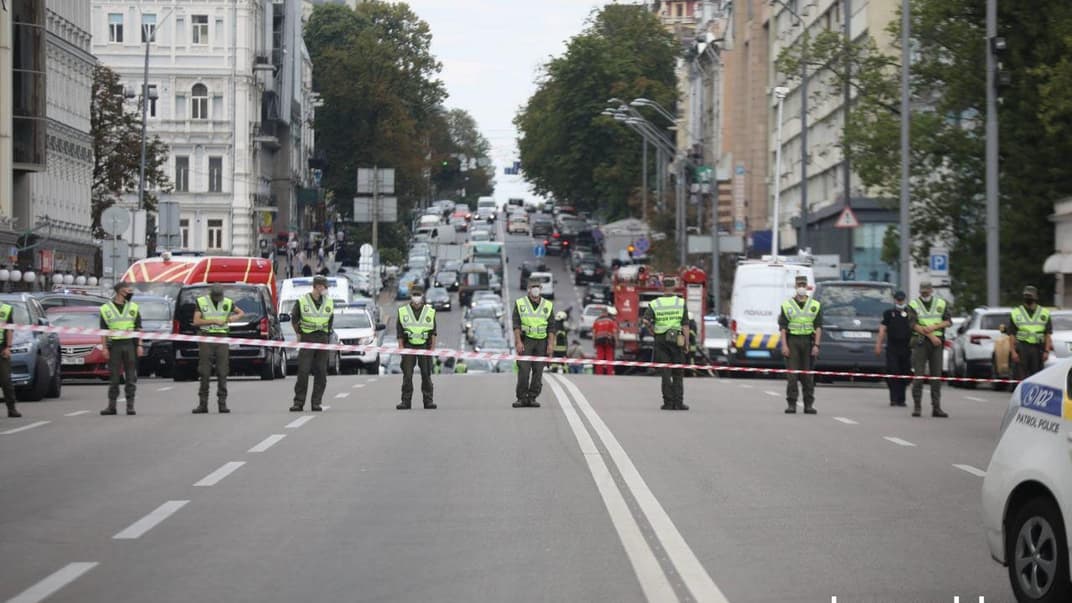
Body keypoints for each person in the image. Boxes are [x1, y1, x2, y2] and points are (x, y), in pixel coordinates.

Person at [192, 284, 244, 414]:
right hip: (206, 338)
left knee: (222, 371)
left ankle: (222, 404)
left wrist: (233, 318)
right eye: (215, 297)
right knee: (204, 371)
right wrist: (213, 321)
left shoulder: (227, 302)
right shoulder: (201, 302)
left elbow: (241, 312)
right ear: (211, 294)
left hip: (222, 338)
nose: (217, 299)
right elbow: (196, 321)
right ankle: (203, 404)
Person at [290, 275, 334, 412]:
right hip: (307, 338)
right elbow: (295, 318)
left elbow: (330, 320)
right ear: (317, 286)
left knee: (321, 372)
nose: (325, 289)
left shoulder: (329, 302)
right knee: (303, 371)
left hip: (322, 339)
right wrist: (299, 334)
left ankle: (316, 402)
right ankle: (298, 402)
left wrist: (327, 336)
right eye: (324, 286)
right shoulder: (302, 301)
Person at [779, 276, 822, 414]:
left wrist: (817, 345)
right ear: (795, 286)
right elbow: (783, 328)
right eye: (799, 284)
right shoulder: (787, 305)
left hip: (808, 342)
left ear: (807, 286)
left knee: (807, 375)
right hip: (793, 342)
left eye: (804, 284)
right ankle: (792, 403)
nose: (801, 287)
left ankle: (808, 404)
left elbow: (819, 327)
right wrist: (784, 345)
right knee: (792, 375)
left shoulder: (815, 305)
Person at [907, 281, 951, 418]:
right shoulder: (913, 305)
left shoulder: (941, 303)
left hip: (937, 343)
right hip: (921, 342)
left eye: (927, 290)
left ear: (931, 290)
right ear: (920, 291)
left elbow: (948, 321)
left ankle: (936, 407)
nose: (925, 293)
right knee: (919, 376)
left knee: (936, 376)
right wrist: (931, 335)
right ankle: (917, 407)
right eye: (923, 291)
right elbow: (913, 324)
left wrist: (934, 328)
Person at [99, 282, 143, 415]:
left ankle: (130, 406)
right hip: (115, 346)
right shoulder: (105, 309)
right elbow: (103, 331)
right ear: (120, 291)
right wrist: (104, 348)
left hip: (130, 344)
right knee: (114, 378)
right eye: (127, 290)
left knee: (130, 377)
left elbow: (139, 328)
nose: (130, 293)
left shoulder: (133, 307)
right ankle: (111, 406)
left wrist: (140, 345)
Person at [644, 292, 689, 410]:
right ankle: (678, 403)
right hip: (677, 337)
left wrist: (652, 331)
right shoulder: (680, 302)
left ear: (663, 288)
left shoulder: (655, 303)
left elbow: (645, 321)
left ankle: (668, 403)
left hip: (661, 339)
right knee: (678, 372)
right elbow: (685, 326)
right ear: (673, 288)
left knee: (665, 372)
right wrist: (686, 344)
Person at [513, 282, 554, 408]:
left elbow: (552, 327)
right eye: (532, 288)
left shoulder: (548, 305)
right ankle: (521, 398)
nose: (535, 290)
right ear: (529, 289)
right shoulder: (520, 303)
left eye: (537, 288)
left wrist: (550, 345)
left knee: (538, 371)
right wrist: (518, 342)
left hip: (541, 342)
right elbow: (516, 325)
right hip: (526, 341)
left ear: (541, 290)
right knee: (524, 370)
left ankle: (532, 397)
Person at [397, 286, 437, 410]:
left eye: (418, 294)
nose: (416, 297)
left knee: (426, 375)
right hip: (409, 346)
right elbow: (400, 332)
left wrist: (432, 349)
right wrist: (401, 347)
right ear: (410, 296)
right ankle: (405, 401)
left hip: (424, 346)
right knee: (407, 375)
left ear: (422, 296)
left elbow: (433, 332)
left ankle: (428, 401)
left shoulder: (429, 312)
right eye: (414, 294)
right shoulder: (403, 311)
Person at [874, 290, 912, 407]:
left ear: (904, 299)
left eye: (901, 299)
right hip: (893, 347)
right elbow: (882, 330)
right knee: (893, 371)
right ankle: (893, 399)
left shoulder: (910, 313)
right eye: (898, 299)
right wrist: (878, 345)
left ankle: (902, 399)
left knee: (905, 372)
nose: (900, 301)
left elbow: (916, 328)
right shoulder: (889, 313)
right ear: (895, 300)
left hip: (906, 347)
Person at [1008, 285, 1053, 380]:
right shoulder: (1016, 312)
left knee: (1037, 376)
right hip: (1022, 347)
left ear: (1035, 297)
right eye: (1026, 296)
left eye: (1030, 296)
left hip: (1038, 348)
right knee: (1020, 375)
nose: (1027, 298)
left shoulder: (1044, 313)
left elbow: (1047, 334)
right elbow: (1011, 334)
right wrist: (1013, 352)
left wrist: (1046, 351)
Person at [0, 301, 18, 418]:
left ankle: (11, 409)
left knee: (6, 381)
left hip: (2, 349)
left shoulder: (6, 308)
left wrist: (8, 347)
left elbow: (10, 329)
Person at [591, 307, 617, 375]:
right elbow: (614, 332)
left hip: (599, 340)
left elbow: (594, 333)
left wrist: (593, 342)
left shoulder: (597, 320)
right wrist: (616, 341)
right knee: (609, 358)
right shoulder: (611, 320)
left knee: (599, 357)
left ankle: (599, 373)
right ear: (607, 313)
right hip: (609, 341)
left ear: (601, 313)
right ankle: (609, 372)